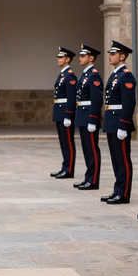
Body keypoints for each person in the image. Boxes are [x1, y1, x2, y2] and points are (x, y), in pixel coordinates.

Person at [101, 41, 136, 205]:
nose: (110, 56)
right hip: (111, 121)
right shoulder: (115, 75)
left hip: (119, 122)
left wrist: (123, 124)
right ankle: (117, 189)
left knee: (122, 158)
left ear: (122, 56)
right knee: (115, 158)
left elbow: (128, 103)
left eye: (113, 54)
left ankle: (124, 192)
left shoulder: (126, 75)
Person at [74, 43, 103, 191]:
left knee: (92, 149)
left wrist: (93, 118)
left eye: (83, 56)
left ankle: (93, 180)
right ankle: (88, 177)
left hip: (88, 116)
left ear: (91, 58)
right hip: (83, 115)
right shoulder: (85, 74)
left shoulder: (94, 75)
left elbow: (96, 100)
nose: (80, 58)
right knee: (86, 148)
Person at [51, 46, 77, 180]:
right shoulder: (62, 75)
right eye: (58, 57)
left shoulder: (70, 76)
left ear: (67, 59)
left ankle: (69, 169)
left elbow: (72, 98)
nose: (58, 59)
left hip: (65, 112)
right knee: (63, 141)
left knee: (68, 142)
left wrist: (68, 114)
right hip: (59, 111)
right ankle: (65, 167)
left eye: (61, 57)